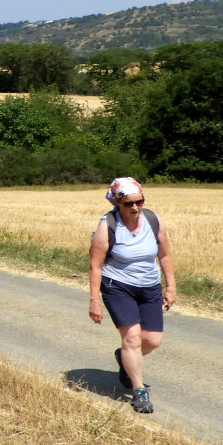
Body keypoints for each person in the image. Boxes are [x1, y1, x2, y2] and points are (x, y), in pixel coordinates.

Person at [88, 177, 175, 414]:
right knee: (133, 338)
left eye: (140, 202)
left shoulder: (153, 220)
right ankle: (139, 391)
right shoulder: (107, 225)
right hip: (118, 286)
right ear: (117, 203)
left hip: (149, 286)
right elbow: (95, 265)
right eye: (129, 204)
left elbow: (165, 255)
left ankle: (125, 357)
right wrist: (95, 300)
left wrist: (170, 286)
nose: (135, 208)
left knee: (153, 340)